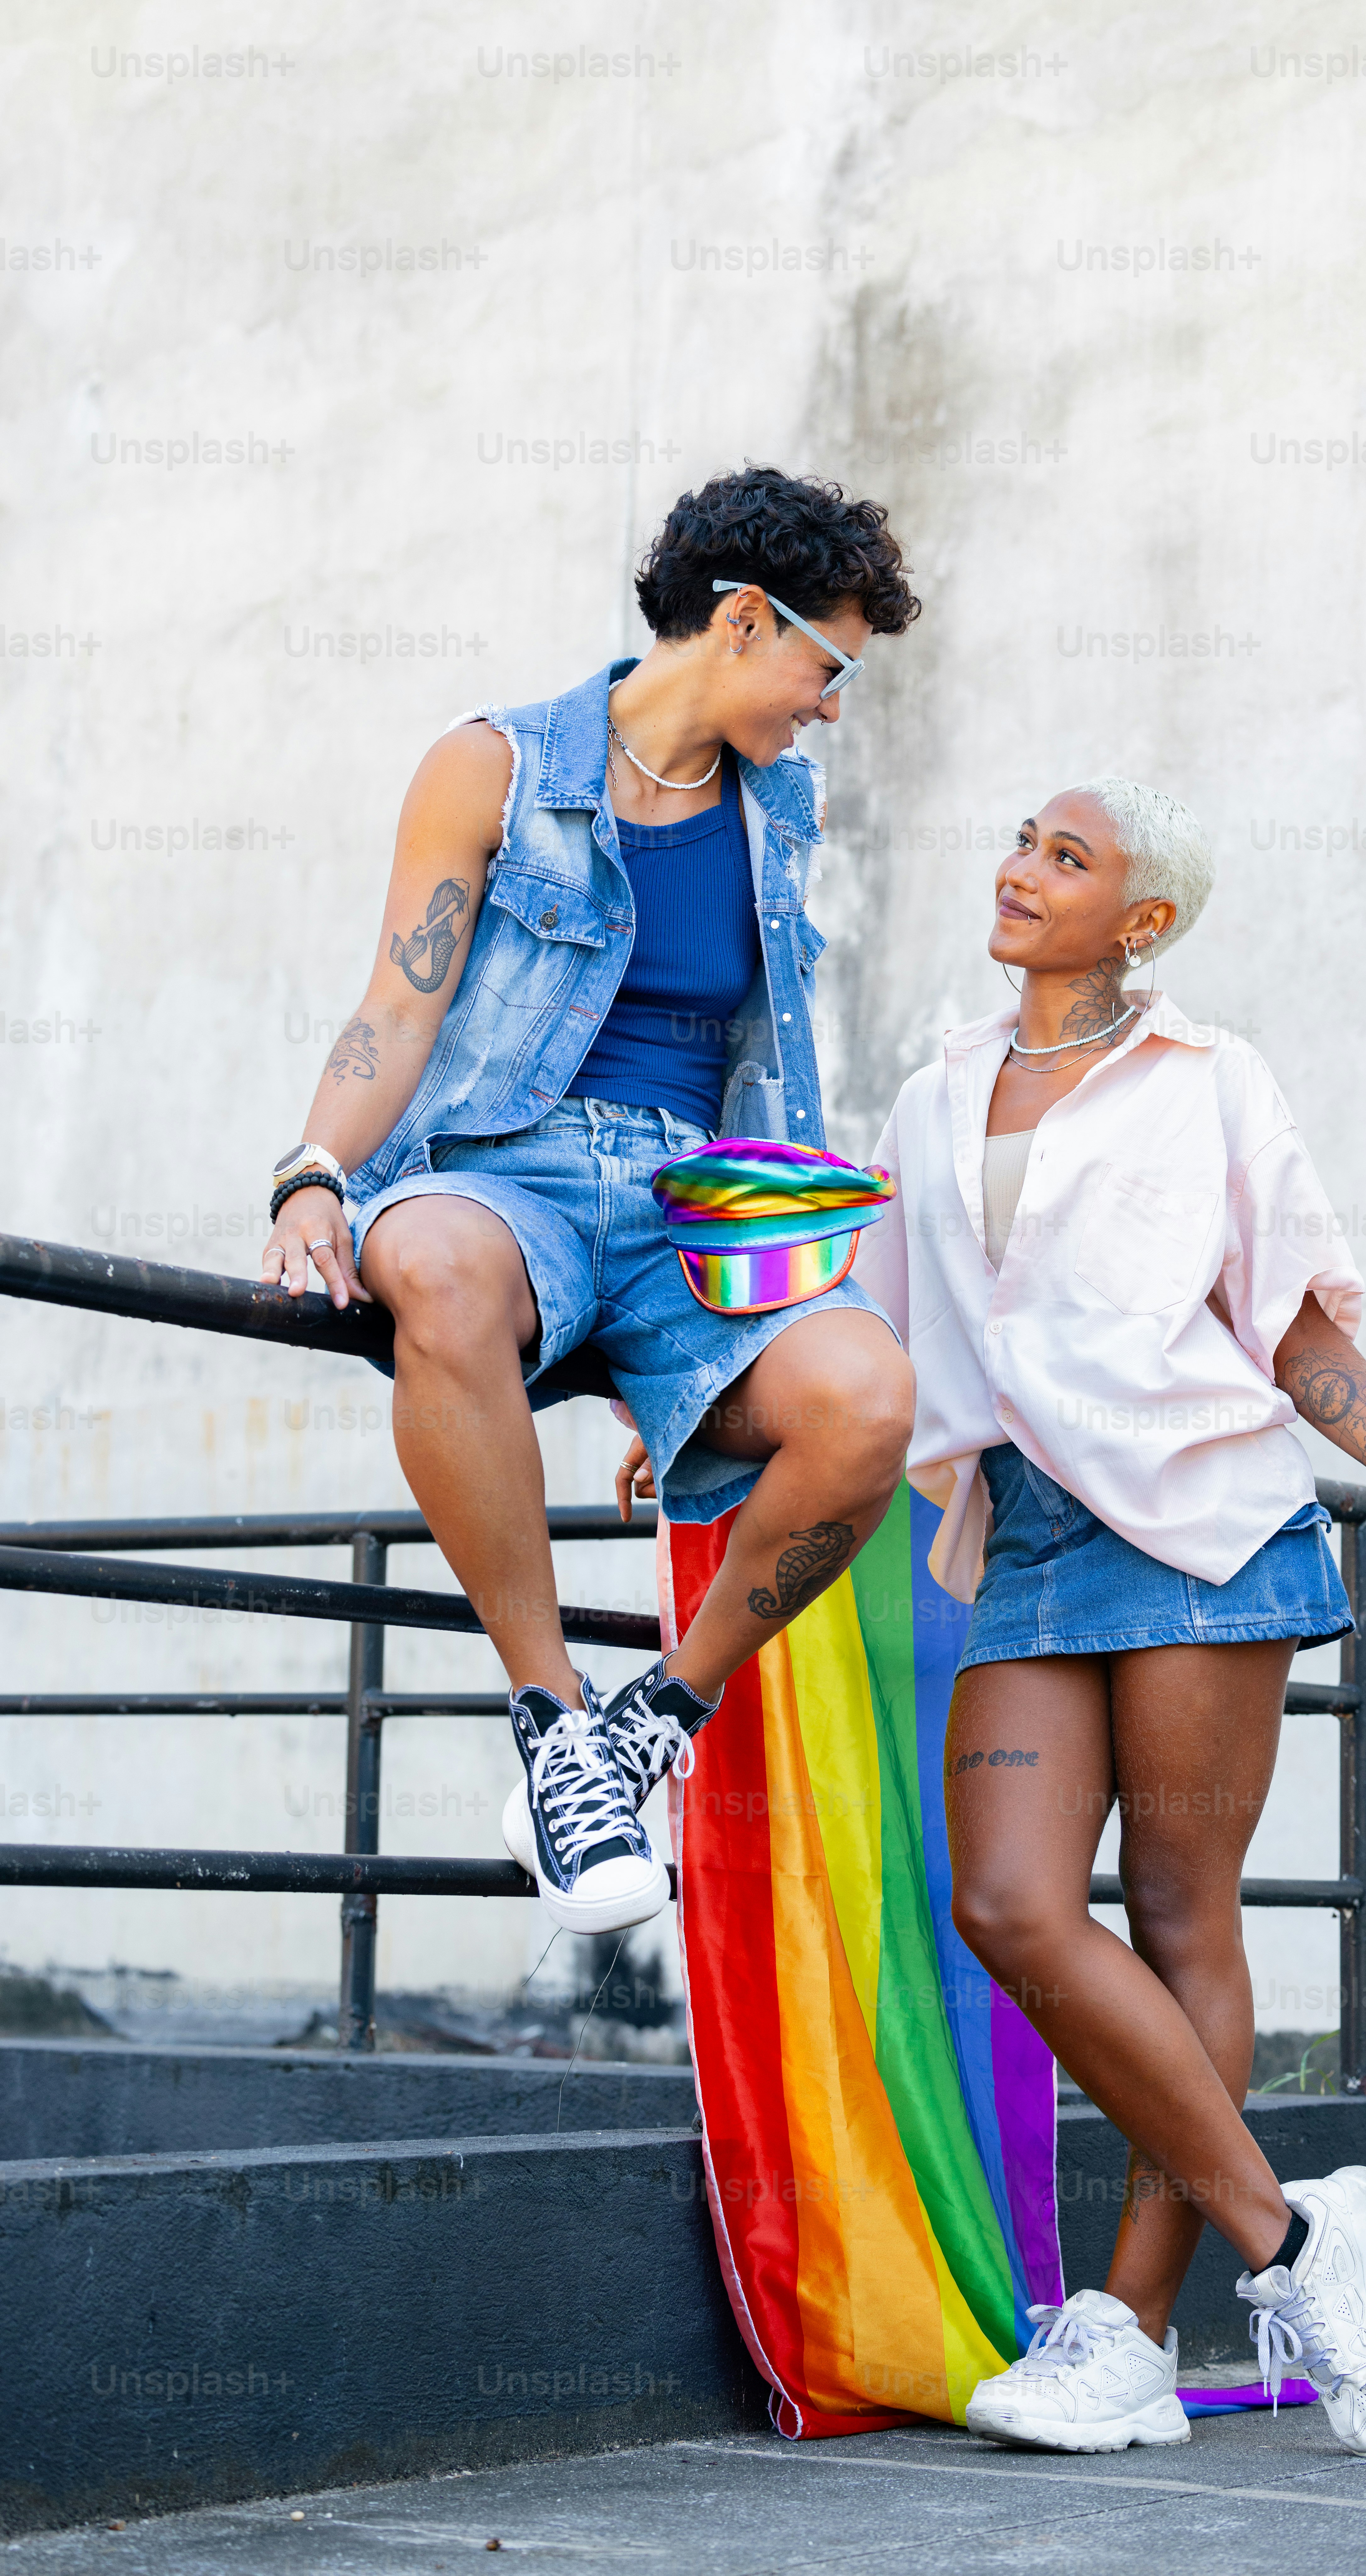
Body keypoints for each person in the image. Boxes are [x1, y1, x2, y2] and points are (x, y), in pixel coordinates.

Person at [851, 776, 1366, 2458]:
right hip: (1027, 1536)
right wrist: (686, 1432)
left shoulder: (1211, 1082)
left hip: (1202, 1523)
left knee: (1183, 1918)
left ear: (1143, 923)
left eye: (1068, 858)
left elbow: (1292, 1329)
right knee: (1012, 1906)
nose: (1022, 870)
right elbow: (871, 1342)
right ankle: (1296, 2241)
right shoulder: (930, 1095)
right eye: (1023, 841)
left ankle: (1121, 2337)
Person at [260, 468, 919, 1937]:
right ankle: (555, 1728)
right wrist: (316, 1168)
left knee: (870, 1397)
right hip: (516, 1169)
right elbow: (401, 1002)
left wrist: (702, 1351)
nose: (829, 705)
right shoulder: (493, 764)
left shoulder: (781, 805)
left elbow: (761, 1058)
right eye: (829, 666)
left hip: (699, 1208)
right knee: (425, 1256)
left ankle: (652, 1723)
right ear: (745, 622)